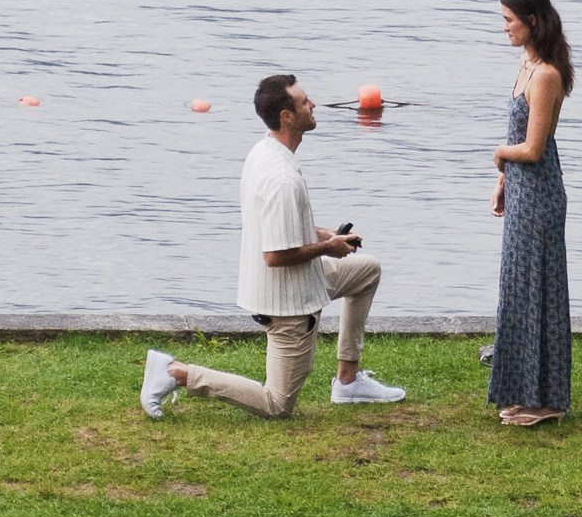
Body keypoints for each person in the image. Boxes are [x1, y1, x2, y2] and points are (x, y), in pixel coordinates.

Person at [141, 74, 404, 417]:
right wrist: (329, 248)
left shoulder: (264, 150)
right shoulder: (281, 179)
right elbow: (276, 255)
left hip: (308, 279)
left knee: (367, 271)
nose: (313, 105)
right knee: (277, 404)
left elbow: (282, 224)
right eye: (305, 101)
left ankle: (348, 380)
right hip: (288, 304)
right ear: (287, 116)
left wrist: (327, 236)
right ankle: (177, 373)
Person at [487, 0, 572, 427]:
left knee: (539, 291)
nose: (504, 28)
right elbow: (517, 139)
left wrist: (501, 155)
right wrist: (503, 178)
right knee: (517, 291)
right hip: (520, 190)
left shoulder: (546, 76)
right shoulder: (526, 63)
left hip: (539, 195)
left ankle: (547, 399)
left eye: (509, 20)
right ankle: (523, 388)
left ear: (531, 21)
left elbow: (533, 148)